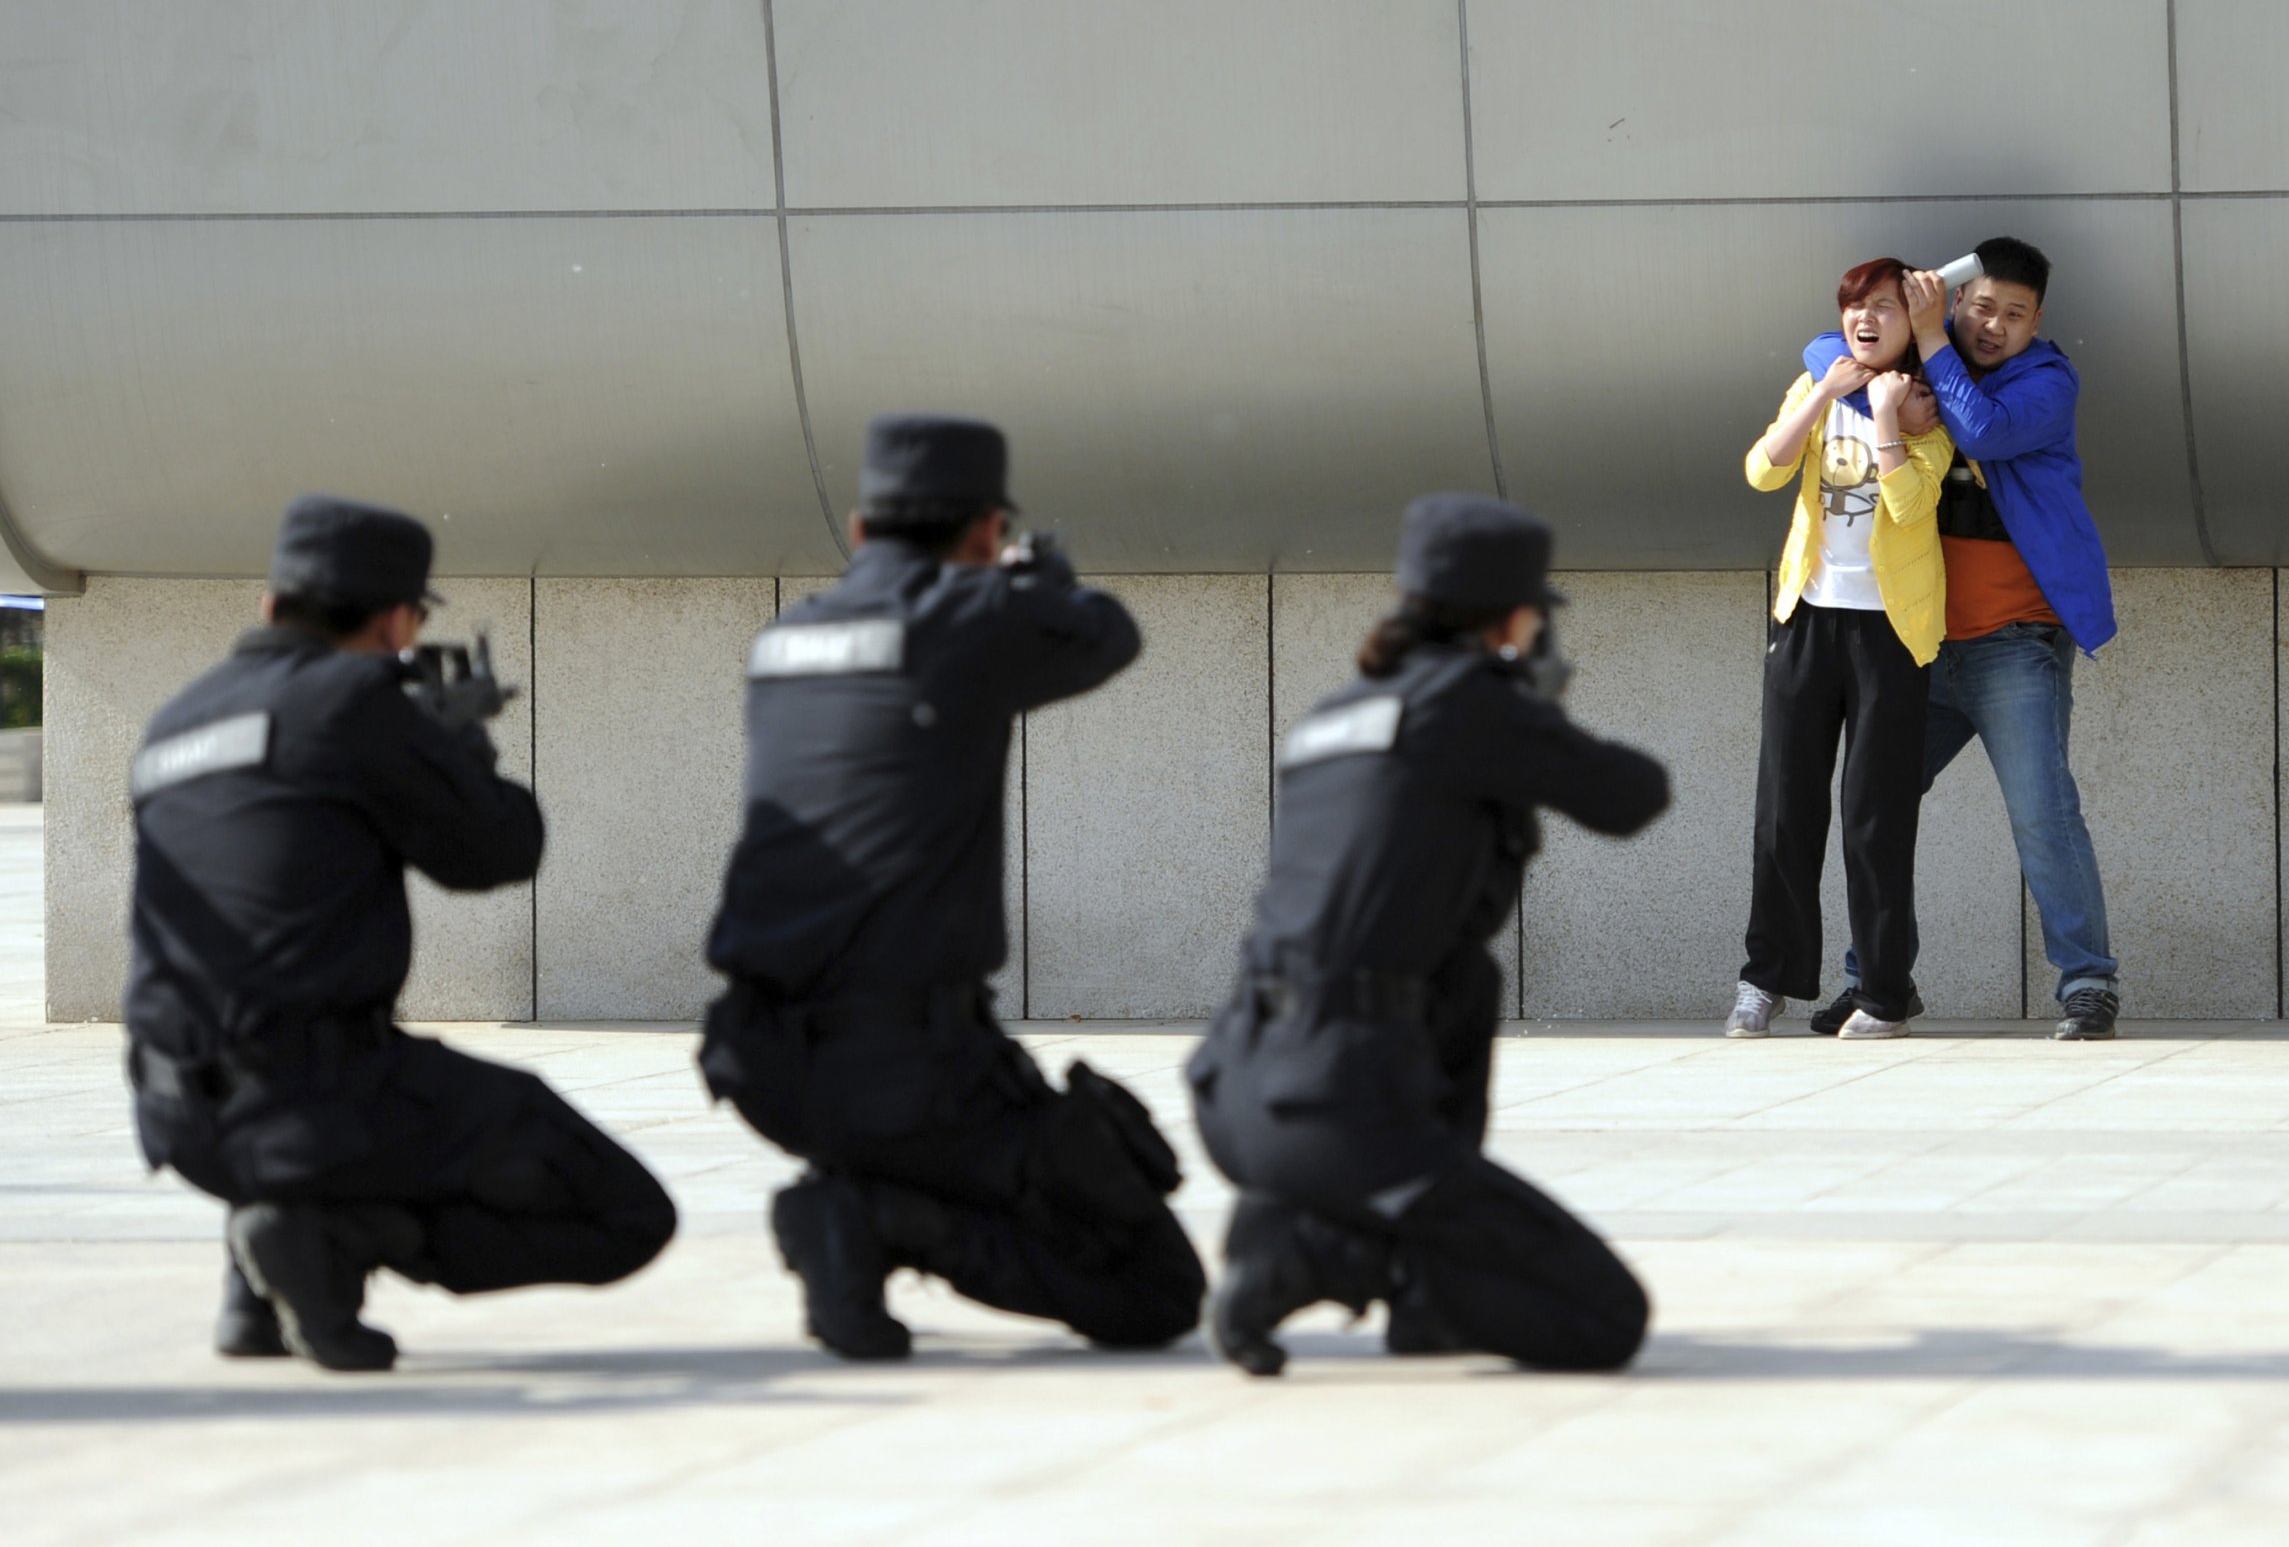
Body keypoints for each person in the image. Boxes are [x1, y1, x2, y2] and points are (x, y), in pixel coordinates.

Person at [124, 495, 676, 1372]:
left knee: (292, 1056)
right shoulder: (354, 700)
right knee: (628, 1215)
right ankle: (337, 1238)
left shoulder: (177, 721)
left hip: (174, 1110)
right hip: (317, 1093)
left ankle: (262, 1280)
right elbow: (496, 852)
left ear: (272, 606)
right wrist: (460, 747)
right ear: (395, 622)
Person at [700, 414, 1204, 1360]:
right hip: (906, 1071)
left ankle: (871, 1199)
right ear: (983, 532)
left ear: (857, 530)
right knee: (1157, 1292)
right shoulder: (965, 619)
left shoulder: (786, 642)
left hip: (762, 1059)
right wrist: (1032, 579)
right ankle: (875, 1220)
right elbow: (1107, 636)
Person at [1190, 494, 1667, 1377]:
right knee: (1603, 1318)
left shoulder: (1336, 713)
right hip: (1336, 1103)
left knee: (1464, 977)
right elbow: (1633, 795)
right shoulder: (1468, 704)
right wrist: (1535, 713)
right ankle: (1322, 1250)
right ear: (1513, 618)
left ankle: (1382, 1269)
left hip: (1242, 1081)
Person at [1813, 237, 2122, 1040]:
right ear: (1955, 301)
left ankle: (2088, 982)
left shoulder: (2047, 379)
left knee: (2042, 813)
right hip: (1915, 649)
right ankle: (1877, 981)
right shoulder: (1910, 362)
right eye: (1980, 306)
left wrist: (1933, 348)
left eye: (2013, 314)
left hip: (2014, 643)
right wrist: (1895, 357)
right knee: (1874, 808)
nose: (1995, 325)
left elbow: (1982, 432)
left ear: (2036, 322)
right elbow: (1822, 351)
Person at [1726, 258, 1956, 1041]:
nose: (1867, 318)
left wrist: (1888, 421)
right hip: (1806, 619)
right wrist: (1825, 393)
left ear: (1911, 323)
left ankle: (1884, 994)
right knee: (1785, 809)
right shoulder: (1818, 382)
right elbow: (1763, 471)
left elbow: (1912, 502)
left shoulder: (1928, 398)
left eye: (1886, 308)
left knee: (1874, 816)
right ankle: (1768, 980)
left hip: (1891, 631)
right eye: (1857, 306)